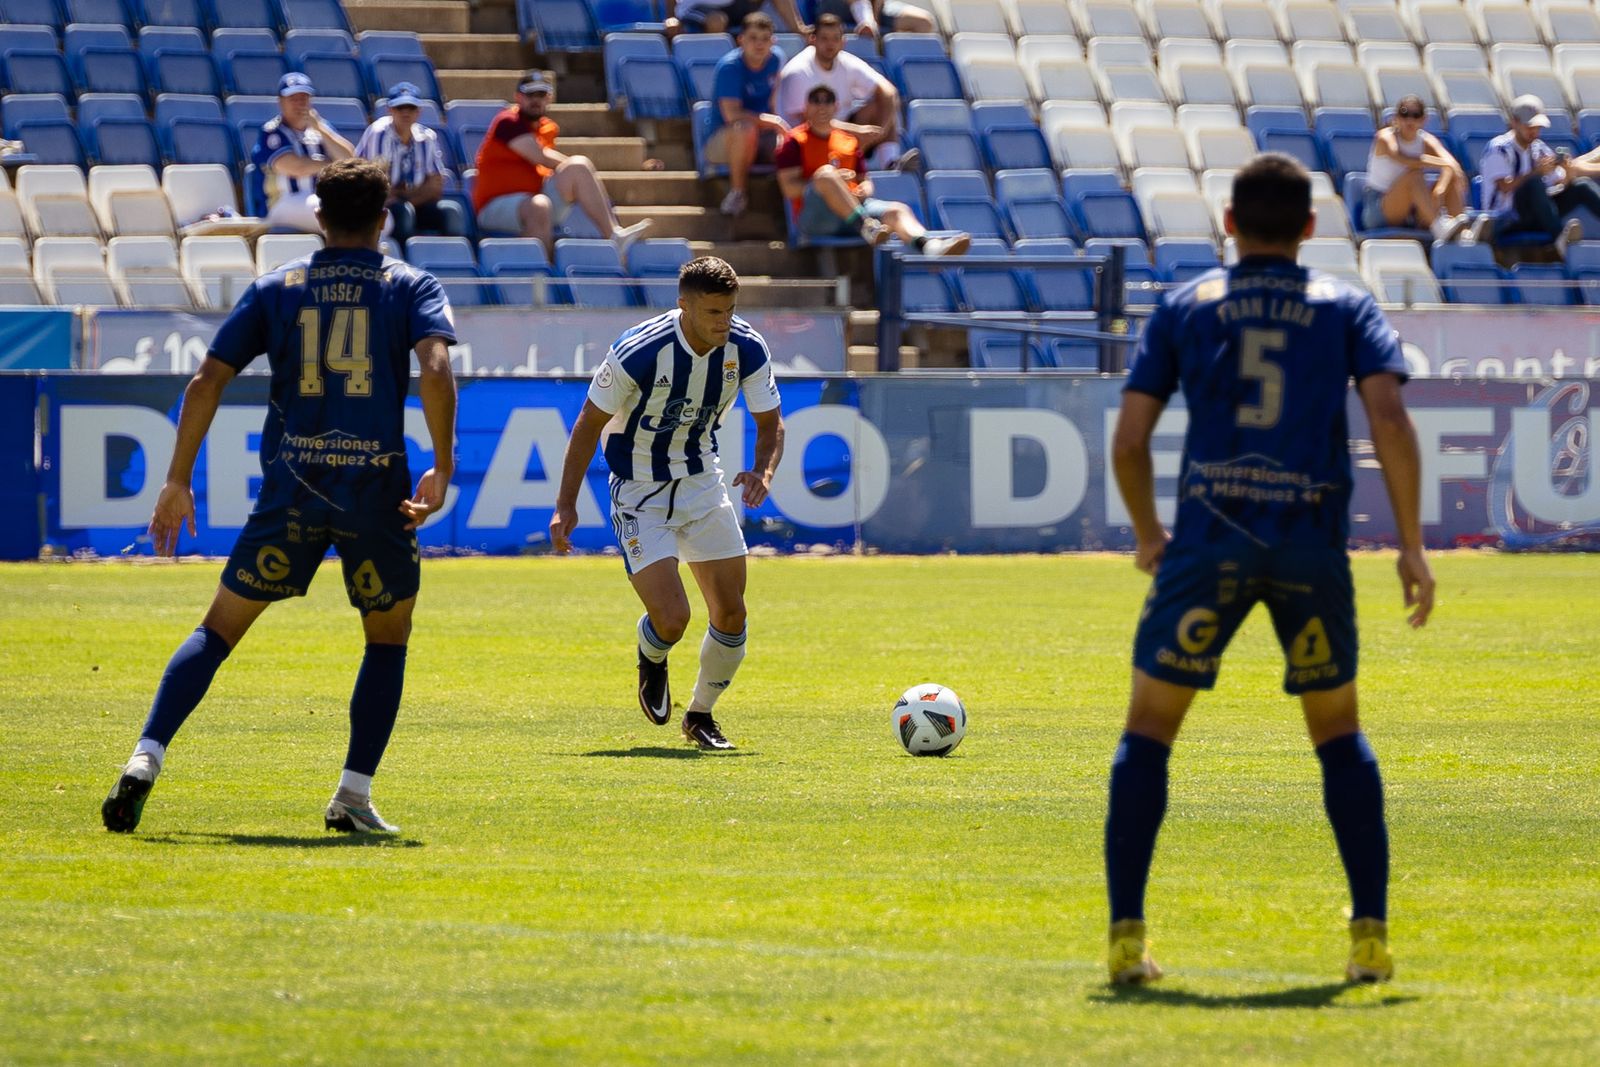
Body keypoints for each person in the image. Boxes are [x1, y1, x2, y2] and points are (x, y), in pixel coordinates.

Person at [1105, 153, 1435, 985]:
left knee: (1149, 732)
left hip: (1208, 541)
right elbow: (1390, 417)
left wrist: (1149, 533)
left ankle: (1125, 937)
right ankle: (1368, 938)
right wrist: (1410, 543)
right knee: (1338, 734)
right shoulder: (1346, 304)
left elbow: (1131, 439)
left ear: (1227, 222)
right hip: (1310, 544)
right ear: (1311, 230)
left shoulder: (1186, 304)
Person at [100, 159, 459, 836]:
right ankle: (352, 795)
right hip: (375, 491)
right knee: (387, 636)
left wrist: (177, 480)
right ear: (385, 219)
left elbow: (206, 380)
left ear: (318, 217)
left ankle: (146, 755)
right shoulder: (410, 284)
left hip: (292, 485)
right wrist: (441, 465)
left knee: (218, 629)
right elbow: (436, 367)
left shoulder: (277, 286)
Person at [549, 257, 784, 752]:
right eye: (714, 311)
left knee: (732, 613)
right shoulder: (639, 351)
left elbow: (771, 424)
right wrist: (565, 505)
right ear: (685, 305)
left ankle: (700, 715)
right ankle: (652, 654)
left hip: (702, 484)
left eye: (731, 310)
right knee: (673, 619)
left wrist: (764, 472)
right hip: (639, 493)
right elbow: (587, 424)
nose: (725, 321)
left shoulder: (747, 348)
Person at [775, 83, 969, 254]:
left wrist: (865, 188)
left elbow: (863, 179)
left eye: (828, 101)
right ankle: (867, 227)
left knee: (897, 211)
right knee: (826, 175)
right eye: (816, 101)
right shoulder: (794, 141)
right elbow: (788, 189)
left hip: (855, 209)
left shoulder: (848, 141)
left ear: (836, 107)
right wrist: (832, 184)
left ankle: (929, 246)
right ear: (806, 108)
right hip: (817, 217)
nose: (822, 106)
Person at [472, 73, 652, 255]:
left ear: (549, 98)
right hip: (493, 207)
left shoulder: (547, 128)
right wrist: (589, 178)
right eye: (530, 95)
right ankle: (539, 272)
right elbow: (540, 157)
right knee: (540, 204)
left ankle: (615, 236)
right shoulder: (508, 122)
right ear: (518, 97)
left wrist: (584, 175)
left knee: (578, 167)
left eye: (541, 95)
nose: (536, 100)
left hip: (534, 199)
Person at [1469, 94, 1600, 255]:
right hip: (1505, 218)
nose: (1534, 132)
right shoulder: (1499, 148)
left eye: (1537, 127)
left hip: (1535, 215)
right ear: (1514, 122)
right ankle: (1559, 237)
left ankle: (1557, 235)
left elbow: (1560, 182)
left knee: (1582, 186)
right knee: (1534, 182)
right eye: (1529, 126)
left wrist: (1566, 171)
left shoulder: (1538, 148)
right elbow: (1504, 187)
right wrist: (1535, 173)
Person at [775, 13, 909, 169]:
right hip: (803, 140)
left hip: (842, 131)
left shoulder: (846, 61)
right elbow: (810, 121)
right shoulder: (797, 72)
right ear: (812, 40)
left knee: (883, 105)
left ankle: (891, 164)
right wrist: (858, 133)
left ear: (843, 42)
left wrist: (879, 133)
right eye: (824, 38)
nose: (830, 44)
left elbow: (889, 92)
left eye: (835, 38)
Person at [355, 81, 466, 245]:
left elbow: (435, 187)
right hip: (372, 206)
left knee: (452, 212)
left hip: (412, 203)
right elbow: (376, 187)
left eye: (411, 108)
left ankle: (452, 264)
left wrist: (404, 196)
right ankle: (403, 265)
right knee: (403, 213)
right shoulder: (379, 133)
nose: (405, 113)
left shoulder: (427, 137)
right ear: (390, 110)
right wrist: (413, 194)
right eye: (400, 108)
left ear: (419, 111)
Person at [250, 72, 356, 234]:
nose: (299, 104)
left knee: (374, 214)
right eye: (293, 99)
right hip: (281, 203)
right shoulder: (272, 132)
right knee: (331, 213)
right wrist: (333, 164)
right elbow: (296, 168)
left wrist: (320, 128)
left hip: (318, 199)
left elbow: (350, 160)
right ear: (280, 102)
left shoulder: (320, 129)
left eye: (304, 98)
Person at [708, 13, 790, 217]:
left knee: (792, 144)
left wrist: (782, 133)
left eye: (765, 39)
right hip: (723, 140)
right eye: (753, 38)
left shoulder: (777, 59)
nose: (759, 45)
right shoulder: (730, 67)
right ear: (741, 40)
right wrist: (774, 122)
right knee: (745, 129)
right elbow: (732, 115)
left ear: (773, 41)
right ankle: (737, 193)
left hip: (762, 136)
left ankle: (789, 205)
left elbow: (776, 101)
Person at [1362, 94, 1468, 241]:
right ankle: (1440, 228)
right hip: (1379, 207)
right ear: (1396, 118)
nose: (1410, 120)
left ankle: (1462, 235)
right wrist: (1445, 164)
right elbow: (1403, 158)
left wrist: (1441, 189)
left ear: (1424, 119)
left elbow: (1452, 165)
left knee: (1452, 180)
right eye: (1404, 114)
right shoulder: (1385, 137)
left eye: (1416, 115)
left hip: (1411, 209)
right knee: (1414, 175)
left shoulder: (1426, 140)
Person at [670, 0, 805, 35]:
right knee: (717, 21)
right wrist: (672, 17)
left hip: (735, 8)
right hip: (698, 8)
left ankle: (799, 31)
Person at [803, 0, 936, 35]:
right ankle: (867, 24)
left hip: (873, 7)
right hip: (832, 7)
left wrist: (876, 17)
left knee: (924, 23)